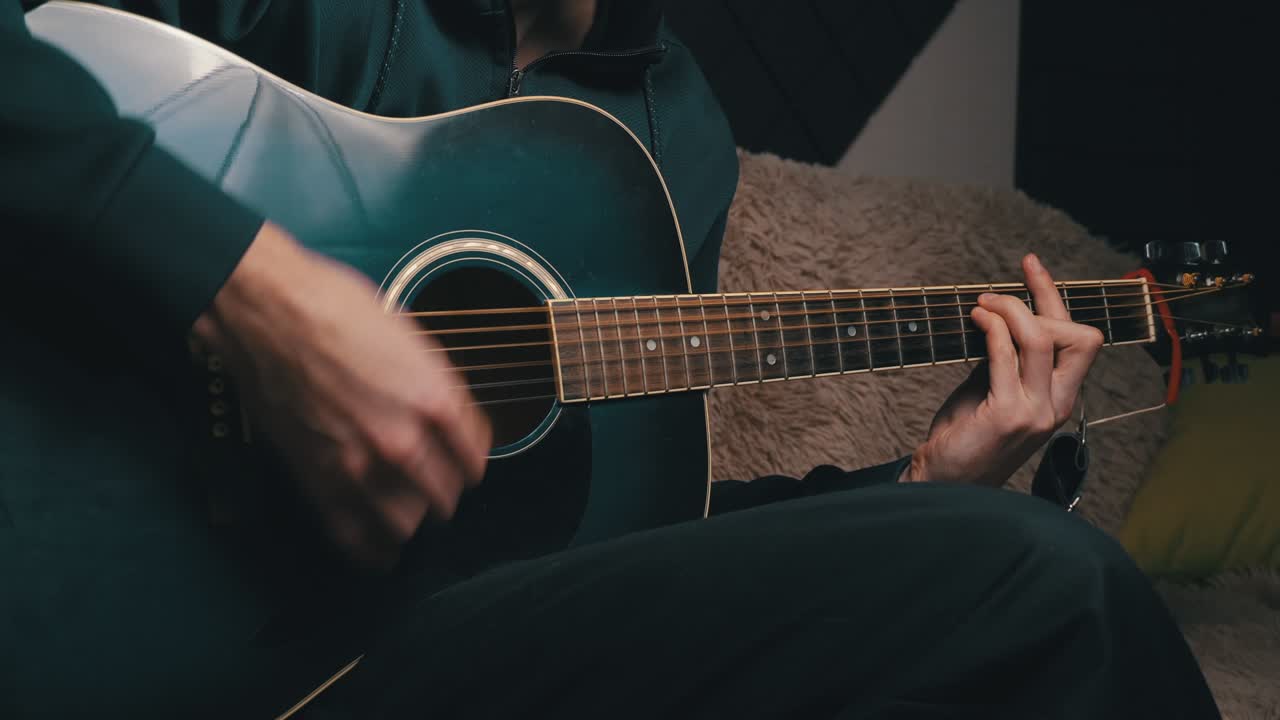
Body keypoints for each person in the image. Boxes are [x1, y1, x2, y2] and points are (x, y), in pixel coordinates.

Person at [1, 1, 1220, 717]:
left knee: (1035, 580)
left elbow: (619, 527)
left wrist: (924, 487)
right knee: (1051, 576)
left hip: (417, 645)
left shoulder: (671, 136)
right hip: (130, 623)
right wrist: (251, 291)